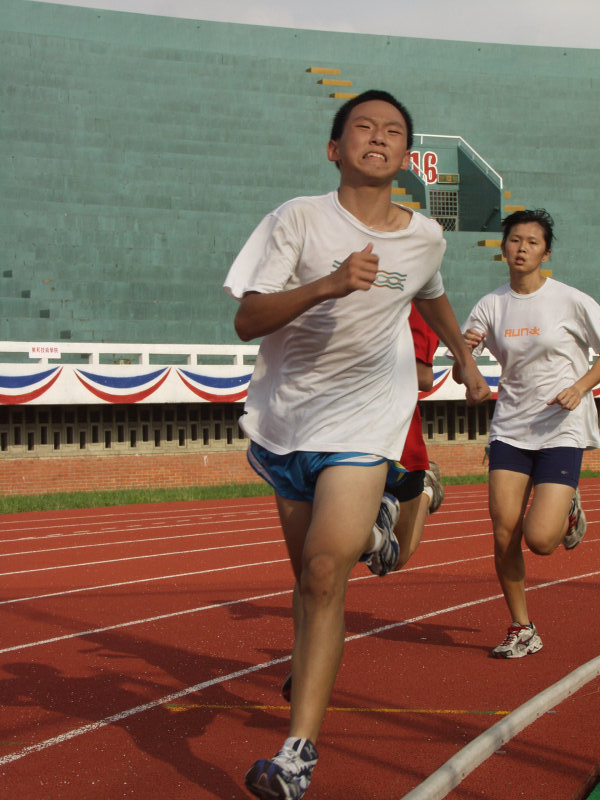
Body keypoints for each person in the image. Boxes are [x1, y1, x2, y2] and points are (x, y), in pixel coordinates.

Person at [224, 89, 490, 800]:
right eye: (362, 128)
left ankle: (296, 754)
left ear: (408, 158)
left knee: (320, 572)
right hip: (286, 423)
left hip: (366, 420)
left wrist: (463, 357)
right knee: (314, 589)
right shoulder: (298, 219)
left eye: (393, 132)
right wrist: (330, 283)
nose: (378, 138)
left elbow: (429, 290)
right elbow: (249, 318)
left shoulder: (424, 235)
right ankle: (390, 520)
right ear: (335, 148)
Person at [455, 208, 600, 659]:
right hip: (511, 429)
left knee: (540, 540)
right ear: (503, 249)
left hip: (561, 427)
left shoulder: (571, 301)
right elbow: (465, 362)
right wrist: (468, 359)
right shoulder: (490, 305)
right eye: (514, 240)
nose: (521, 248)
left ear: (546, 252)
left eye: (532, 242)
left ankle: (566, 513)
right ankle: (522, 626)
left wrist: (580, 386)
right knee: (503, 533)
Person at [364, 302, 445, 577]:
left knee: (393, 561)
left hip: (399, 441)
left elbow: (424, 377)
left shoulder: (415, 304)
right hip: (348, 436)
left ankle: (426, 489)